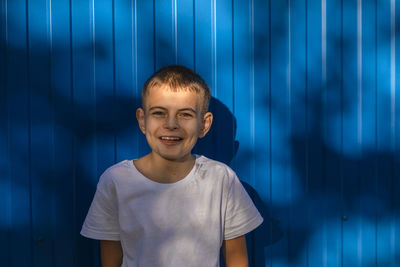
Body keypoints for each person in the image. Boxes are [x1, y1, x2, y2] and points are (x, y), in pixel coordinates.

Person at [81, 65, 263, 267]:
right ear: (142, 120)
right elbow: (110, 258)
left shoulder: (225, 181)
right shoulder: (116, 181)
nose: (171, 124)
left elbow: (240, 256)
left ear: (204, 125)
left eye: (185, 115)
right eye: (159, 113)